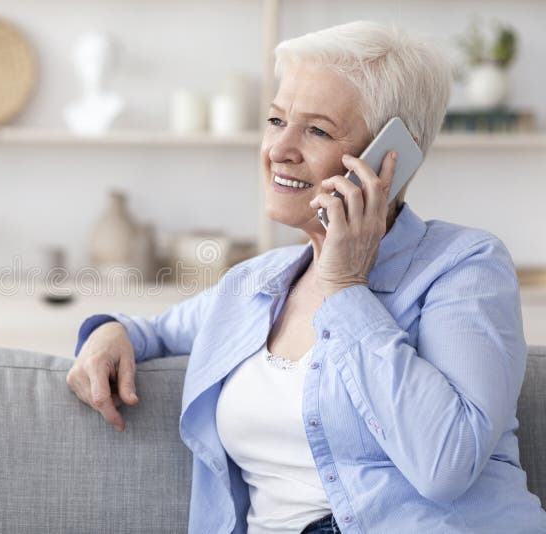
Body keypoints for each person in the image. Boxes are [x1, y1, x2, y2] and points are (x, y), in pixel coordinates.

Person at [66, 20, 546, 534]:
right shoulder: (254, 283)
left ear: (392, 158)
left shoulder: (464, 266)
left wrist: (345, 288)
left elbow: (447, 463)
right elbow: (152, 331)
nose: (279, 148)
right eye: (276, 120)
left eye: (316, 130)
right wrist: (106, 332)